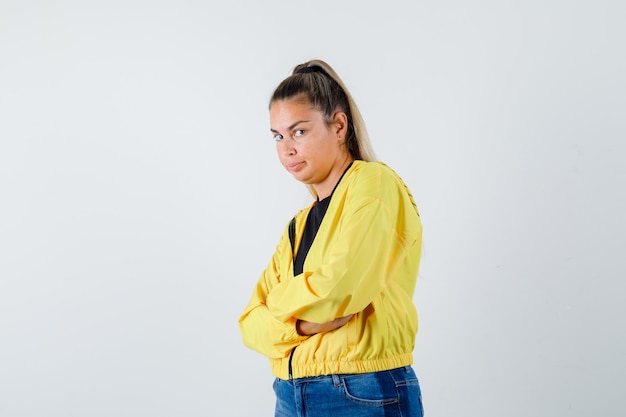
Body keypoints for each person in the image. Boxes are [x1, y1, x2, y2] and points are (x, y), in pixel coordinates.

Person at [238, 59, 424, 417]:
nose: (286, 148)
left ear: (339, 125)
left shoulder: (374, 184)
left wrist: (277, 305)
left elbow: (338, 288)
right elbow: (249, 323)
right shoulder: (298, 224)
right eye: (278, 136)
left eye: (299, 132)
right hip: (290, 395)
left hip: (360, 389)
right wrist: (303, 324)